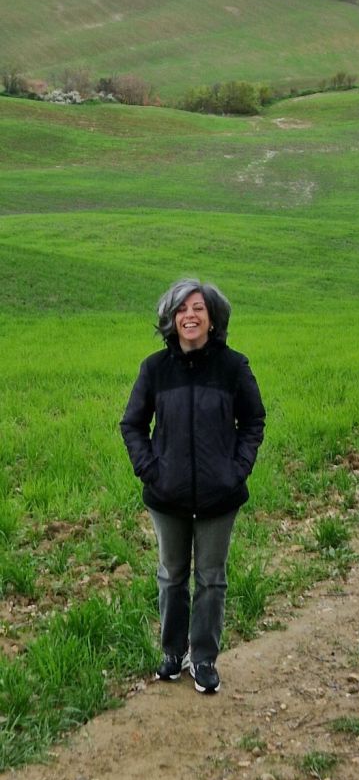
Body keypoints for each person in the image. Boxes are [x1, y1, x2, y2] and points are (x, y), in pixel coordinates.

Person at [120, 279, 265, 695]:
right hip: (167, 496)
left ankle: (203, 659)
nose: (190, 315)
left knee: (211, 579)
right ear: (171, 318)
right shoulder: (154, 369)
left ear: (212, 317)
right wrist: (151, 470)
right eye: (182, 309)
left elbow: (253, 422)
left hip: (220, 497)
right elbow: (132, 424)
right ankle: (171, 652)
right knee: (171, 576)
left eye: (199, 308)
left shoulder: (233, 367)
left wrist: (236, 470)